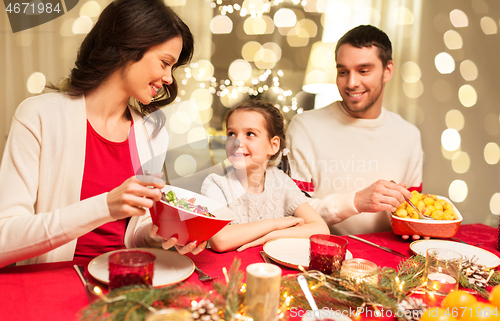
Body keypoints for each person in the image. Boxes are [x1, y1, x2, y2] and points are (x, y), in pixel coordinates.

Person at [0, 0, 206, 268]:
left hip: (128, 279)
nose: (169, 78)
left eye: (172, 68)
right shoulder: (39, 116)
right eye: (165, 63)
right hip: (54, 284)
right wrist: (104, 207)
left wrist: (155, 235)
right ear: (127, 47)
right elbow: (5, 238)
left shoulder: (152, 132)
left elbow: (132, 231)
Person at [287, 25, 423, 238]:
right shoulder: (304, 127)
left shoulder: (409, 135)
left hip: (390, 259)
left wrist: (416, 227)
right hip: (322, 255)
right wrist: (356, 201)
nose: (351, 83)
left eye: (363, 71)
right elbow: (293, 212)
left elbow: (415, 209)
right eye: (343, 72)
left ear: (388, 70)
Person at [201, 100, 329, 252]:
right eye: (231, 134)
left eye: (250, 134)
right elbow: (220, 240)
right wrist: (275, 223)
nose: (236, 142)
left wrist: (272, 236)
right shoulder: (215, 185)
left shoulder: (280, 181)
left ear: (273, 146)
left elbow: (320, 229)